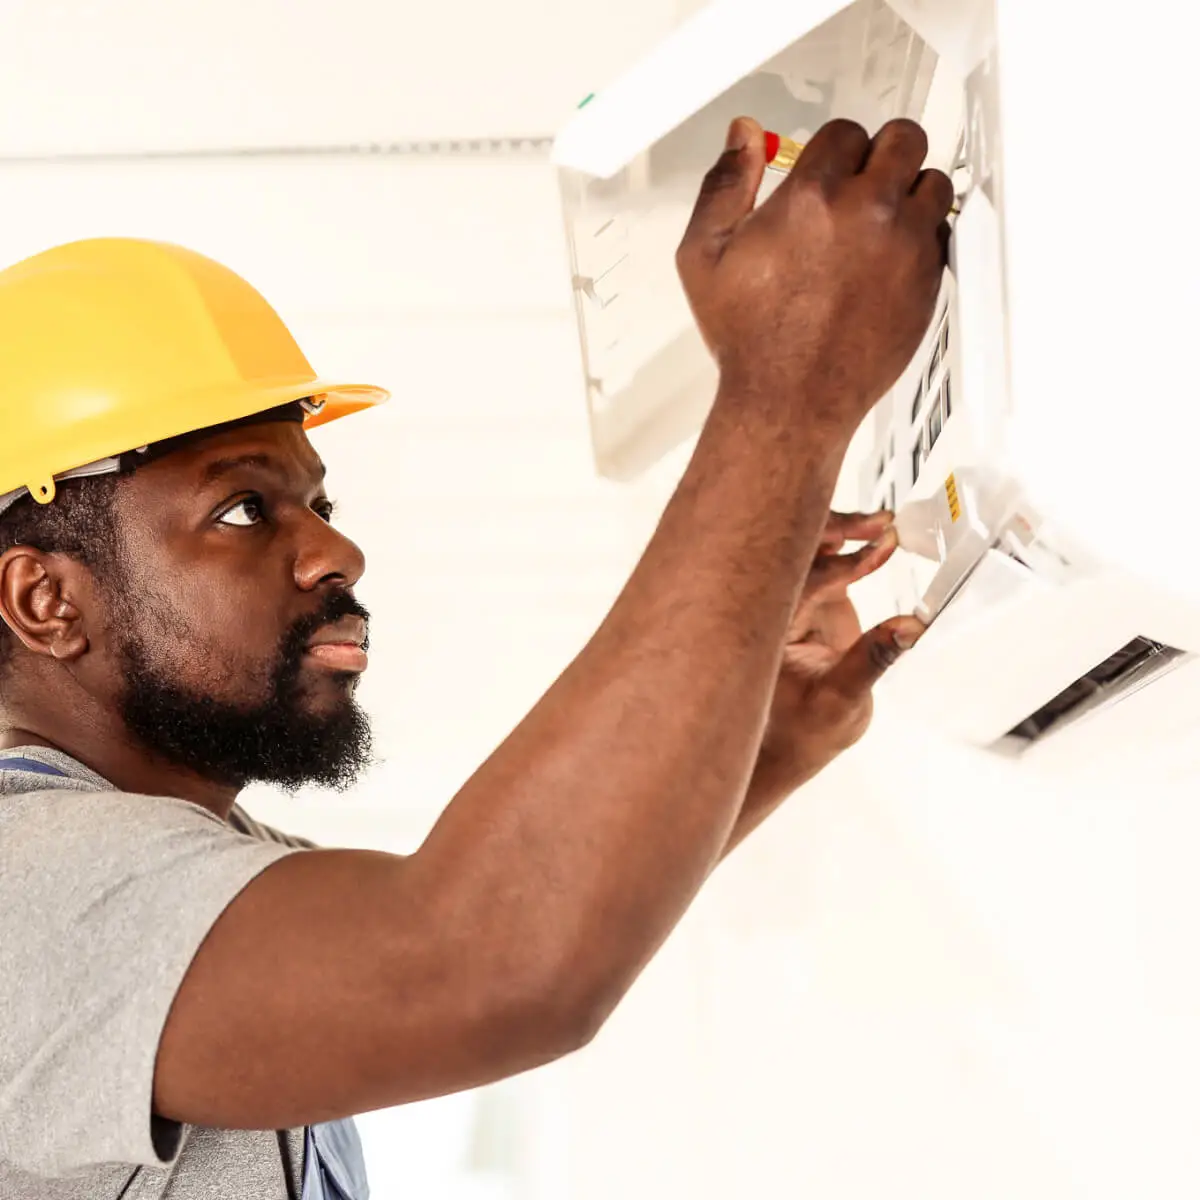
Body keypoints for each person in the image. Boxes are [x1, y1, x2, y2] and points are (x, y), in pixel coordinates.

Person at [0, 115, 951, 1199]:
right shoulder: (27, 892)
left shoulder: (177, 865)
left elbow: (494, 935)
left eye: (320, 501)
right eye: (244, 509)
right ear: (45, 600)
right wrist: (785, 398)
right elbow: (489, 962)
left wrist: (763, 739)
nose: (336, 550)